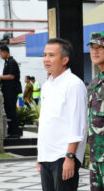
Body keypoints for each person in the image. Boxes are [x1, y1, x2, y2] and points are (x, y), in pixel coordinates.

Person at [37, 38, 88, 191]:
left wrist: (70, 157)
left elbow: (78, 124)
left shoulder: (74, 85)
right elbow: (46, 121)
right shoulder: (47, 85)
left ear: (65, 59)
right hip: (47, 154)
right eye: (45, 55)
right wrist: (40, 156)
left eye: (51, 55)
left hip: (63, 156)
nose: (46, 59)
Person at [87, 31, 104, 191]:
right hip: (94, 155)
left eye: (100, 47)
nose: (95, 51)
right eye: (92, 47)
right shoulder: (94, 81)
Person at [0, 45, 22, 138]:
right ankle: (11, 131)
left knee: (11, 110)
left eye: (0, 53)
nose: (0, 55)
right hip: (7, 90)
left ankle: (15, 132)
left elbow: (12, 76)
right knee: (8, 110)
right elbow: (6, 78)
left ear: (5, 52)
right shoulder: (7, 62)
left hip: (12, 90)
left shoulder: (12, 62)